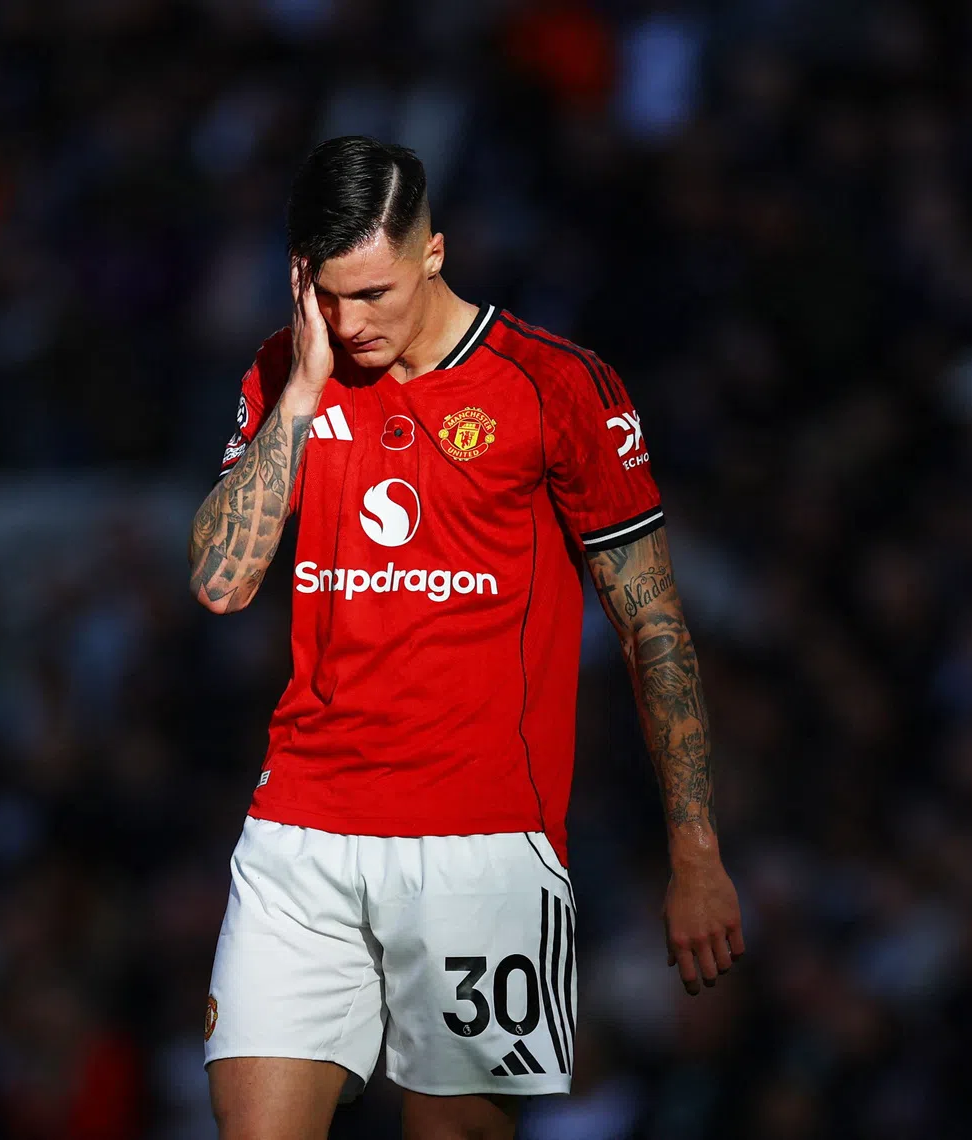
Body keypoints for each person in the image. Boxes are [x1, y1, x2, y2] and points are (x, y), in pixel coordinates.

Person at [189, 136, 745, 1140]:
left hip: (482, 847)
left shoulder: (555, 385)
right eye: (331, 296)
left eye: (376, 294)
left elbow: (653, 628)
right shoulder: (286, 372)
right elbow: (222, 584)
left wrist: (695, 847)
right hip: (299, 835)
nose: (352, 324)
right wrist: (304, 400)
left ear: (434, 253)